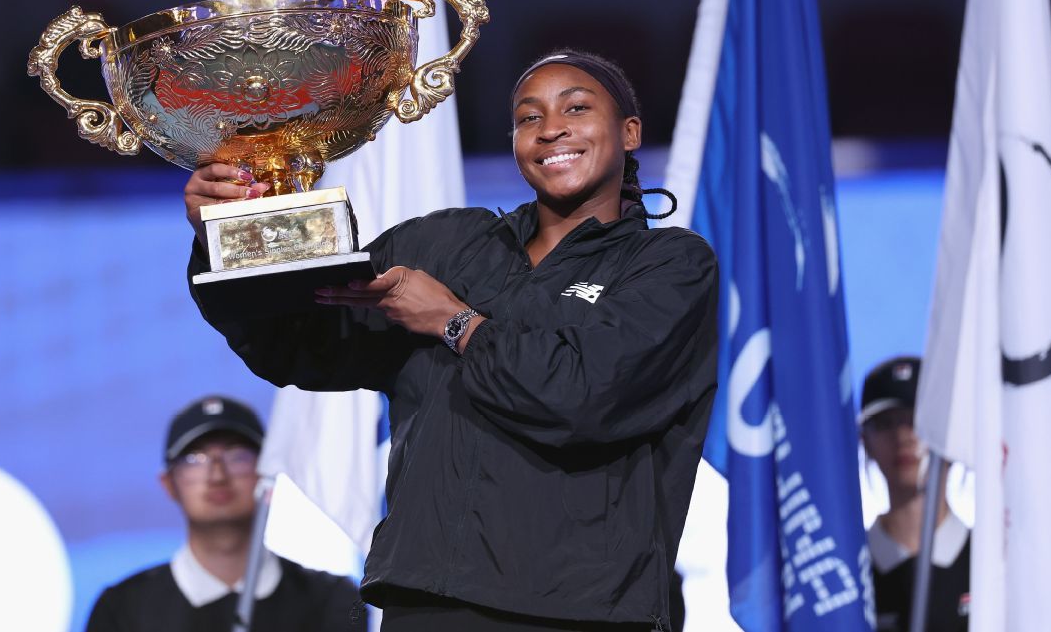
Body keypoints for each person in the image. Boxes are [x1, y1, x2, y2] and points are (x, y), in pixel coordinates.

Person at [185, 49, 719, 631]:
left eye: (577, 108)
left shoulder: (668, 267)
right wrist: (232, 233)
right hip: (425, 603)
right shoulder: (444, 245)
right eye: (527, 118)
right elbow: (301, 341)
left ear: (630, 132)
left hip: (579, 611)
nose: (551, 130)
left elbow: (582, 396)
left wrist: (454, 322)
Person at [86, 395, 363, 632]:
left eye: (237, 455)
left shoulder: (333, 599)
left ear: (266, 474)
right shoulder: (123, 608)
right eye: (195, 459)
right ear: (169, 483)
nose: (217, 475)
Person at [859, 356, 971, 632]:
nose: (903, 436)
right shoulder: (848, 571)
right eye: (886, 423)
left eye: (920, 421)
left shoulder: (994, 565)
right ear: (864, 440)